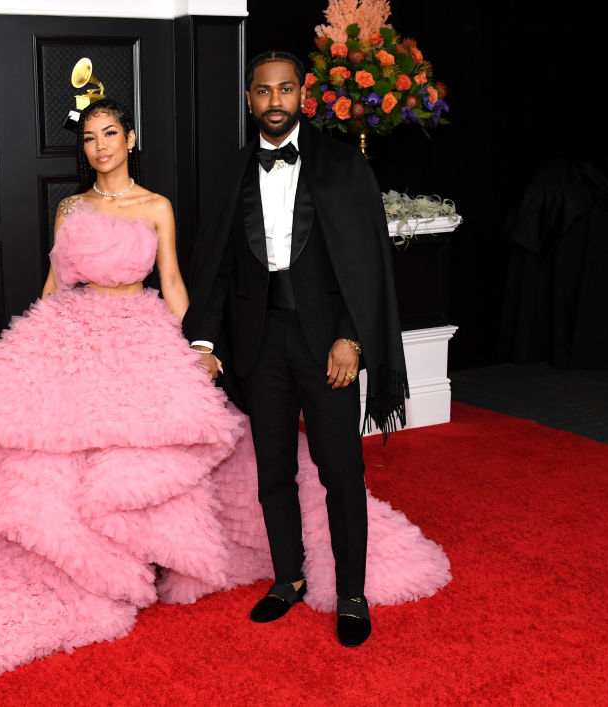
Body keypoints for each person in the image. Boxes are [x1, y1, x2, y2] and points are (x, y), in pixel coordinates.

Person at [0, 98, 447, 695]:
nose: (99, 147)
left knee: (146, 454)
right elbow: (53, 283)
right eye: (90, 138)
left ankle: (173, 560)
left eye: (110, 135)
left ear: (130, 140)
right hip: (72, 331)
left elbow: (175, 283)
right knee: (55, 456)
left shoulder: (157, 206)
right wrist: (28, 342)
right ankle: (79, 571)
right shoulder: (71, 208)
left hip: (140, 330)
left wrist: (199, 348)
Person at [183, 50, 410, 647]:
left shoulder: (341, 165)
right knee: (274, 470)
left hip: (327, 343)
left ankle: (352, 592)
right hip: (259, 343)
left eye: (285, 90)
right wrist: (204, 340)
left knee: (342, 469)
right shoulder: (231, 171)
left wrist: (351, 338)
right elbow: (217, 265)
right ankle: (289, 577)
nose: (275, 101)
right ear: (249, 99)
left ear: (302, 95)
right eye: (264, 91)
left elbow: (365, 262)